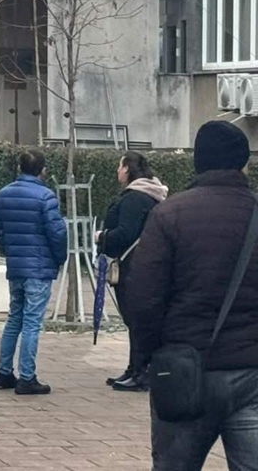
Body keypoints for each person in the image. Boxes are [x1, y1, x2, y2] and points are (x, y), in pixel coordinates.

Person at [128, 120, 258, 469]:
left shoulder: (169, 214)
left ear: (197, 163)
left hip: (184, 369)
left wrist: (151, 354)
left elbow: (143, 298)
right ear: (243, 164)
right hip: (251, 372)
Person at [0, 148, 67, 396]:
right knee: (32, 321)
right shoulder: (46, 197)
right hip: (39, 265)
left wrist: (12, 248)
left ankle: (4, 371)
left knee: (15, 318)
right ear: (43, 170)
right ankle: (27, 376)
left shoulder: (3, 195)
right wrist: (59, 258)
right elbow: (57, 233)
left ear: (19, 168)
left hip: (17, 264)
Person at [98, 150, 167, 392]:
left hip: (133, 267)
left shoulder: (134, 198)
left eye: (119, 166)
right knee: (136, 320)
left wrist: (102, 236)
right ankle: (134, 368)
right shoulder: (149, 195)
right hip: (144, 265)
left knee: (136, 320)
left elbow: (126, 233)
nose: (117, 171)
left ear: (127, 168)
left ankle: (140, 372)